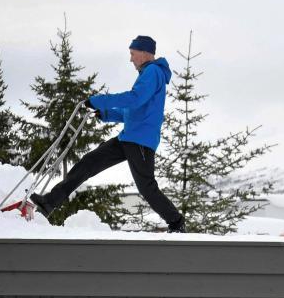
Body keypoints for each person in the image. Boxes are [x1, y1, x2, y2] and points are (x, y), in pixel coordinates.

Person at [30, 35, 186, 233]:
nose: (131, 59)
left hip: (140, 141)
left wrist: (99, 101)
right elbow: (133, 111)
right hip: (128, 137)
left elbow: (134, 99)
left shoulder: (153, 72)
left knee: (146, 187)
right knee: (88, 163)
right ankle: (49, 202)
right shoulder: (148, 73)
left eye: (132, 54)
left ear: (145, 53)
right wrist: (105, 113)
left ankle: (177, 222)